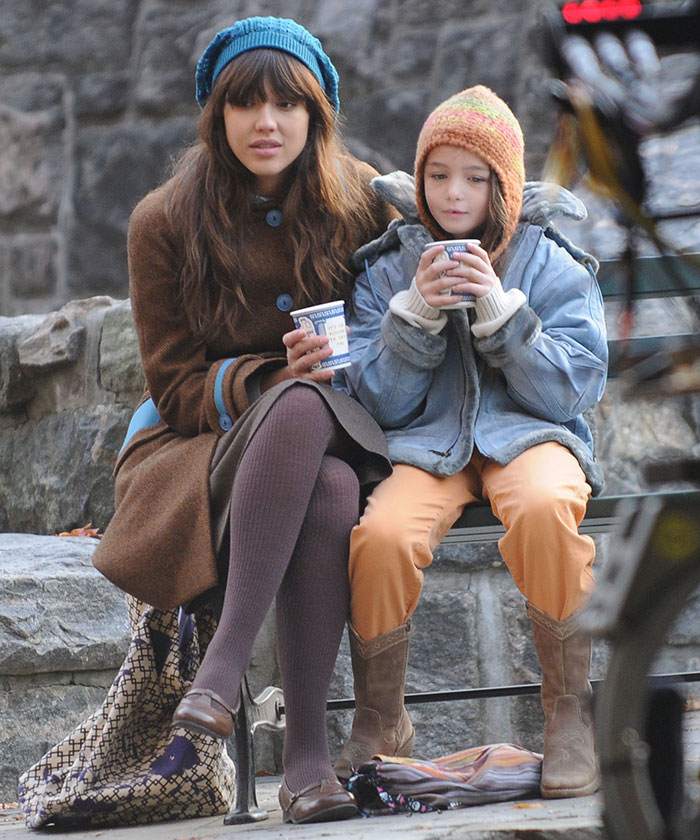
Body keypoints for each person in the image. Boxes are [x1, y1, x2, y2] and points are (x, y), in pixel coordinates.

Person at [91, 16, 398, 825]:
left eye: (287, 105)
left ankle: (242, 700)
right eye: (246, 105)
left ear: (316, 114)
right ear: (216, 115)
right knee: (311, 443)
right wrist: (271, 377)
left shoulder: (360, 202)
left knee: (323, 459)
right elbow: (175, 383)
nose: (267, 123)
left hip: (335, 432)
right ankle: (289, 749)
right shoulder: (164, 220)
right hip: (196, 449)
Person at [333, 85, 608, 799]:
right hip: (426, 447)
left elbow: (570, 390)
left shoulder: (551, 262)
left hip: (530, 435)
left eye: (476, 177)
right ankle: (381, 716)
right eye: (439, 174)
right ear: (419, 179)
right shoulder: (388, 265)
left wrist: (498, 309)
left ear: (504, 184)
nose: (455, 194)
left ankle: (569, 712)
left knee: (548, 508)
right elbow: (375, 403)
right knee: (382, 534)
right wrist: (414, 314)